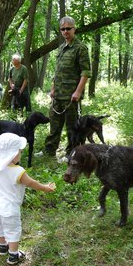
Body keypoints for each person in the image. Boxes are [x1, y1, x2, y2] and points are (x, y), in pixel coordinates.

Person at [0, 133, 55, 265]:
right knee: (13, 230)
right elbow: (32, 183)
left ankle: (2, 246)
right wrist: (45, 188)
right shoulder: (18, 171)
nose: (20, 154)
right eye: (20, 152)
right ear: (14, 154)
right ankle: (13, 255)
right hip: (9, 209)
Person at [43, 16, 91, 159]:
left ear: (74, 29)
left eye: (68, 28)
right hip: (58, 95)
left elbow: (86, 72)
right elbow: (57, 72)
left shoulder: (80, 48)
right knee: (54, 125)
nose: (65, 31)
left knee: (72, 127)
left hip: (71, 96)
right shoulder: (61, 48)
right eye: (63, 29)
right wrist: (53, 88)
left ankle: (71, 153)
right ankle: (49, 150)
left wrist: (78, 91)